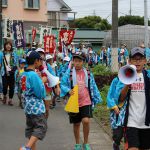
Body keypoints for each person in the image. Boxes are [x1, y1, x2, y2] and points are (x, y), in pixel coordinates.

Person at [60, 52, 102, 150]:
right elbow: (62, 84)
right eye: (75, 61)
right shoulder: (69, 73)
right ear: (73, 62)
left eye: (79, 61)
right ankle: (77, 143)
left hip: (86, 100)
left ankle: (86, 142)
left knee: (86, 121)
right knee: (76, 124)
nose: (77, 63)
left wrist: (96, 97)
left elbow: (93, 85)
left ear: (83, 62)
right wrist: (68, 90)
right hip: (74, 102)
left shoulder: (87, 72)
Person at [116, 47, 150, 150]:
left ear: (145, 60)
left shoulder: (148, 76)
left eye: (140, 59)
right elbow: (120, 99)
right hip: (131, 121)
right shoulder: (125, 75)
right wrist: (127, 84)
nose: (137, 62)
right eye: (135, 59)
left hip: (146, 122)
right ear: (130, 61)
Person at [19, 51, 47, 150]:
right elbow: (40, 93)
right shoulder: (34, 75)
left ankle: (29, 147)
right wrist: (42, 82)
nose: (41, 63)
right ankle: (27, 147)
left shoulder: (23, 74)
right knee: (40, 127)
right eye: (40, 60)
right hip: (36, 107)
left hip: (27, 106)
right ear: (36, 61)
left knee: (31, 130)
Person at [107, 76, 127, 150]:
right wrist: (114, 106)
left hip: (131, 112)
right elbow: (110, 95)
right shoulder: (116, 80)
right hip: (118, 112)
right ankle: (116, 144)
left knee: (129, 136)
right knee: (118, 135)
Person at [0, 41, 18, 106]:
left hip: (12, 72)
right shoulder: (1, 53)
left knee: (12, 87)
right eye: (7, 44)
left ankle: (10, 100)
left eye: (9, 45)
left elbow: (16, 63)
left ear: (11, 46)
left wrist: (17, 70)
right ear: (5, 46)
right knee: (4, 86)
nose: (8, 46)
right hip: (4, 72)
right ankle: (5, 95)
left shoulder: (14, 54)